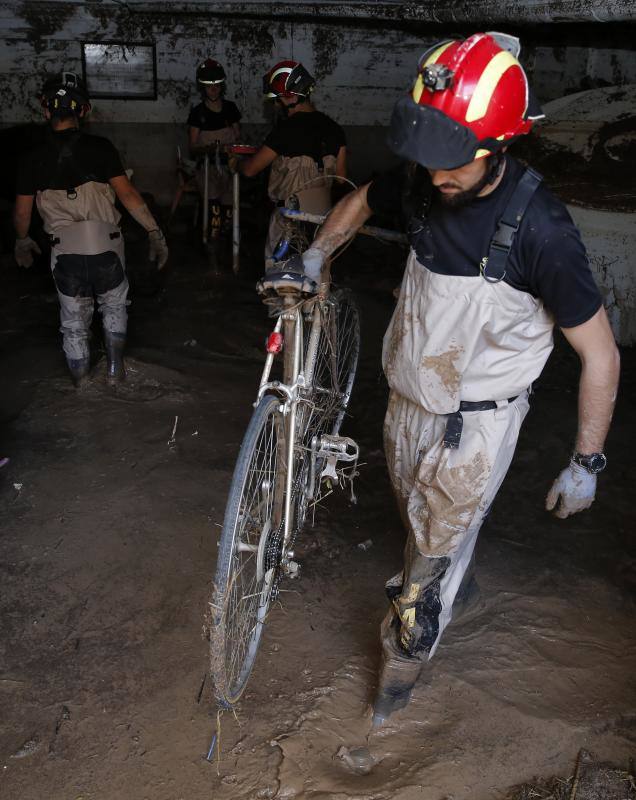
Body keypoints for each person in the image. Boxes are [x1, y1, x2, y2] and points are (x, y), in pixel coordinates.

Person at [266, 33, 621, 725]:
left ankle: (388, 705)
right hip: (408, 402)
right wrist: (318, 256)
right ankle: (451, 566)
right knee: (420, 526)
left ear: (501, 146)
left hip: (478, 424)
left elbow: (601, 353)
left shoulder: (543, 231)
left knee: (419, 583)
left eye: (451, 163)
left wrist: (587, 460)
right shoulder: (426, 177)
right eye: (426, 160)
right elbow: (365, 198)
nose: (434, 177)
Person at [14, 71, 168, 387]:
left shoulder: (32, 158)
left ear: (45, 111)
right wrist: (155, 232)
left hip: (64, 252)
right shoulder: (102, 147)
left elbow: (21, 212)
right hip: (107, 247)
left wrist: (22, 239)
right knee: (114, 307)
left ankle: (82, 388)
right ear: (84, 111)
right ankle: (115, 371)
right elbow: (128, 196)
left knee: (73, 323)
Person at [240, 59, 347, 266]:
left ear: (289, 96)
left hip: (289, 220)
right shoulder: (335, 129)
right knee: (315, 278)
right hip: (323, 223)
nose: (277, 104)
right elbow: (342, 178)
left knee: (280, 280)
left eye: (278, 98)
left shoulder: (285, 130)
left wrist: (237, 164)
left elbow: (251, 170)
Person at [187, 58, 241, 241]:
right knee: (213, 211)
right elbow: (193, 147)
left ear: (221, 86)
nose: (213, 89)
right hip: (207, 168)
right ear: (203, 88)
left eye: (217, 85)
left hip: (229, 167)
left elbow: (237, 138)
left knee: (229, 209)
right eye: (209, 86)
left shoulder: (230, 109)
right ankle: (209, 244)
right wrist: (209, 149)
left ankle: (229, 243)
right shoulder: (197, 113)